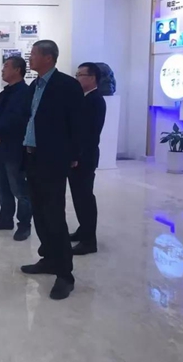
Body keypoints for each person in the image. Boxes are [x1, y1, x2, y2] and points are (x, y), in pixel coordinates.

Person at [20, 40, 83, 300]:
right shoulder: (34, 85)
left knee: (54, 215)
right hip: (32, 156)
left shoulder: (67, 85)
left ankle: (65, 275)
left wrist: (74, 155)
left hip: (53, 159)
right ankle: (48, 258)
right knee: (39, 213)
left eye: (34, 54)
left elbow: (77, 123)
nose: (30, 58)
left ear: (48, 57)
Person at [0, 56, 32, 241]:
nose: (2, 69)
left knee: (20, 190)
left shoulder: (24, 93)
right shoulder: (5, 93)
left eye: (6, 66)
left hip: (14, 148)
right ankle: (5, 219)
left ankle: (24, 225)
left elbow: (15, 119)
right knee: (3, 187)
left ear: (17, 70)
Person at [69, 63, 106, 255]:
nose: (77, 78)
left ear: (92, 78)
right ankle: (83, 230)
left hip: (85, 156)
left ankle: (89, 240)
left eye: (80, 75)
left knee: (85, 198)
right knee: (78, 196)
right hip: (78, 155)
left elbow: (88, 134)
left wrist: (76, 155)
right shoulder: (83, 98)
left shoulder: (95, 100)